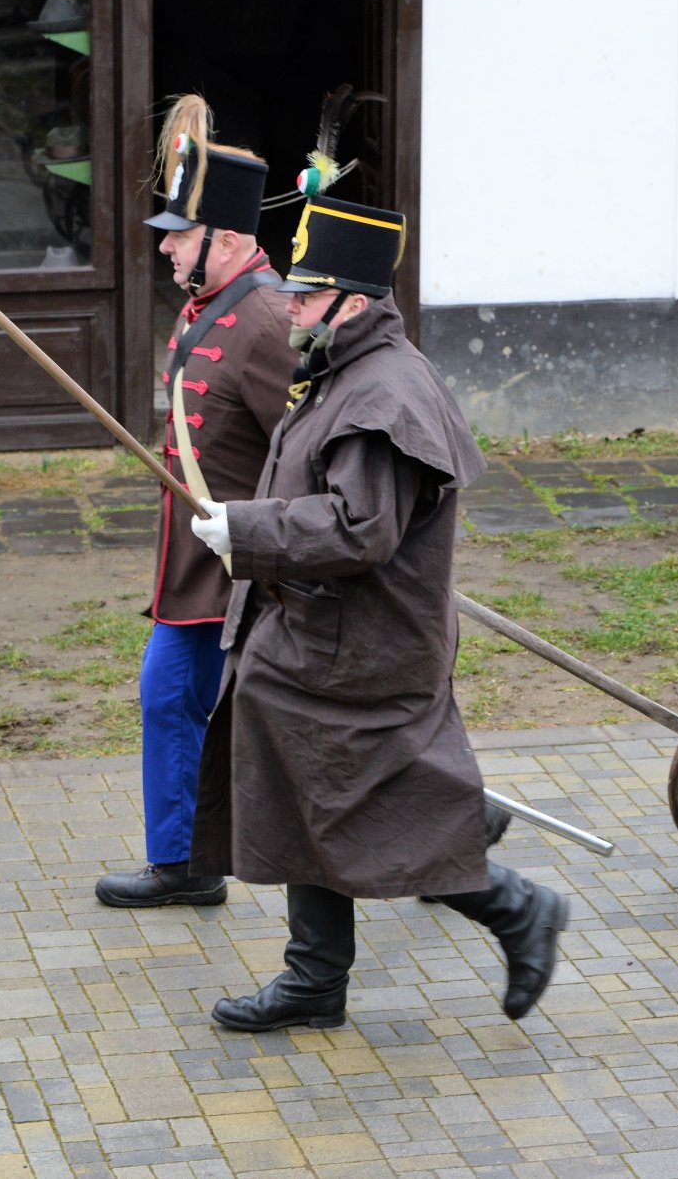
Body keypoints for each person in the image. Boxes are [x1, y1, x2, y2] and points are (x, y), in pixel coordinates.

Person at [185, 194, 567, 1029]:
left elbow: (360, 527)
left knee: (366, 811)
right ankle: (316, 980)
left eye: (306, 294)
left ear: (353, 303)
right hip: (319, 641)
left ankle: (513, 906)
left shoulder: (380, 396)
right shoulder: (345, 369)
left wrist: (246, 528)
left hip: (358, 653)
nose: (288, 306)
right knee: (308, 794)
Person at [93, 96, 299, 909]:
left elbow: (313, 450)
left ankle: (451, 821)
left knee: (296, 724)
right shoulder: (208, 306)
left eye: (180, 234)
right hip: (198, 560)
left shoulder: (267, 319)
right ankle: (183, 862)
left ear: (231, 237)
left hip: (253, 565)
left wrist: (290, 542)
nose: (168, 246)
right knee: (170, 696)